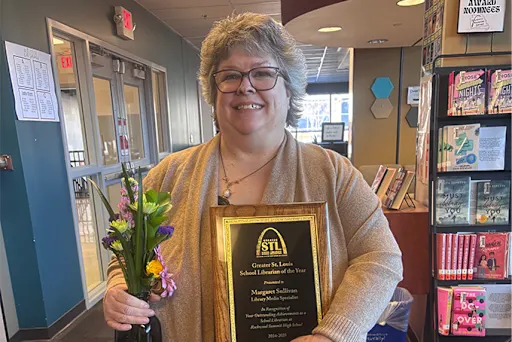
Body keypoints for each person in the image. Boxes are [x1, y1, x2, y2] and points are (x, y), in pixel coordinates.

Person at [103, 12, 403, 342]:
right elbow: (127, 254)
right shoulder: (167, 177)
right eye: (230, 76)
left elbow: (380, 258)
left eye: (262, 73)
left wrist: (334, 334)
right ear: (213, 94)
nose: (245, 86)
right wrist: (119, 287)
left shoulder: (333, 174)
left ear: (289, 91)